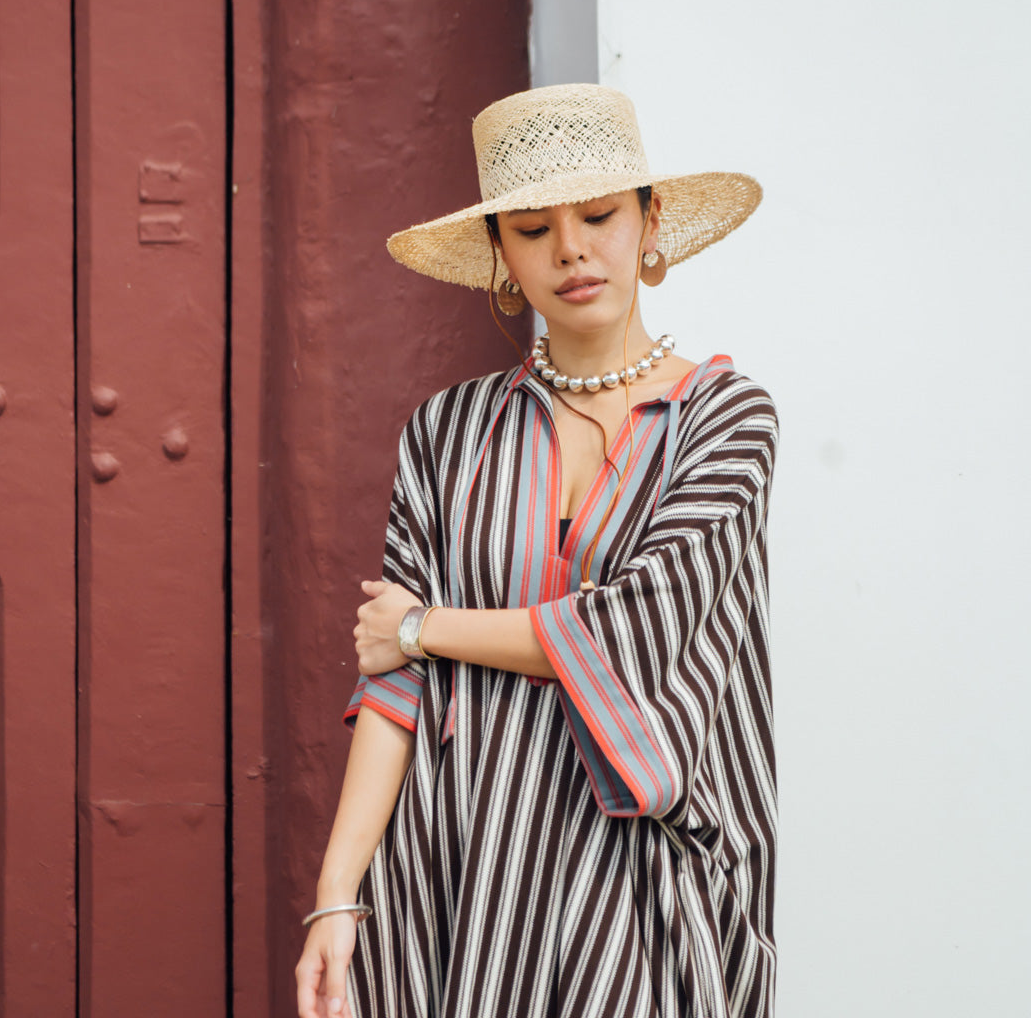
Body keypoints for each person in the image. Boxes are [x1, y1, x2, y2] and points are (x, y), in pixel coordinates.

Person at [296, 83, 778, 1018]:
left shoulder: (727, 420)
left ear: (651, 223)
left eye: (599, 215)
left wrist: (425, 627)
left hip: (640, 875)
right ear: (501, 257)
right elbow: (392, 690)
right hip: (458, 869)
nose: (571, 249)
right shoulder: (446, 432)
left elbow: (632, 630)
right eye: (531, 228)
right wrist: (338, 897)